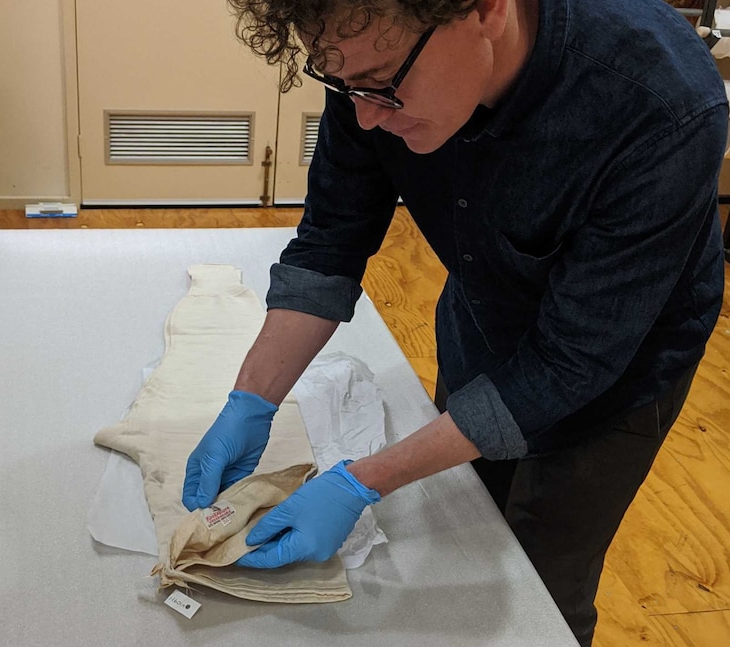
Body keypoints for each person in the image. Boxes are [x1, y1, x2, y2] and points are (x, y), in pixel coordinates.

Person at [181, 1, 727, 644]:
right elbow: (331, 242)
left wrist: (362, 481)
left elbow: (571, 362)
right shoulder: (365, 58)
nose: (365, 115)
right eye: (341, 84)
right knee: (462, 528)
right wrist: (252, 399)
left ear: (486, 10)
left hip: (618, 372)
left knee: (545, 586)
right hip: (485, 315)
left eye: (382, 83)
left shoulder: (660, 102)